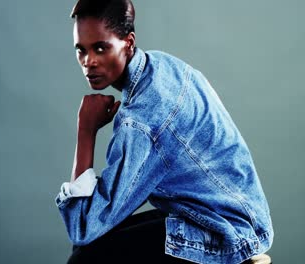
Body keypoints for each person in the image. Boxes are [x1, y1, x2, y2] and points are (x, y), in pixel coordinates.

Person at [55, 0, 274, 263]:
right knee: (96, 247)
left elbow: (84, 227)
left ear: (128, 42)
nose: (88, 62)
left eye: (100, 48)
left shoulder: (142, 120)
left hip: (224, 233)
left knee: (83, 259)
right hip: (235, 216)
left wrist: (85, 130)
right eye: (81, 50)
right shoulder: (160, 65)